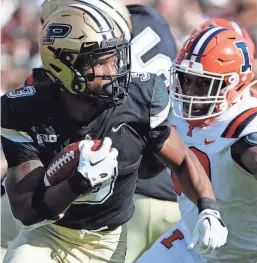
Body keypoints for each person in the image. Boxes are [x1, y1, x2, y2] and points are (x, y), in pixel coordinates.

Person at [1, 5, 228, 263]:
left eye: (115, 57)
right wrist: (77, 184)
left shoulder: (141, 97)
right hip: (48, 235)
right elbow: (27, 210)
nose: (114, 70)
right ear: (67, 66)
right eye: (101, 61)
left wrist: (208, 208)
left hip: (107, 244)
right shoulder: (24, 109)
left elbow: (183, 159)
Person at [137, 26, 257, 263]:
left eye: (202, 84)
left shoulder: (248, 121)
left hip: (244, 256)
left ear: (234, 85)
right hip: (189, 240)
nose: (190, 92)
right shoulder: (173, 107)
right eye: (187, 79)